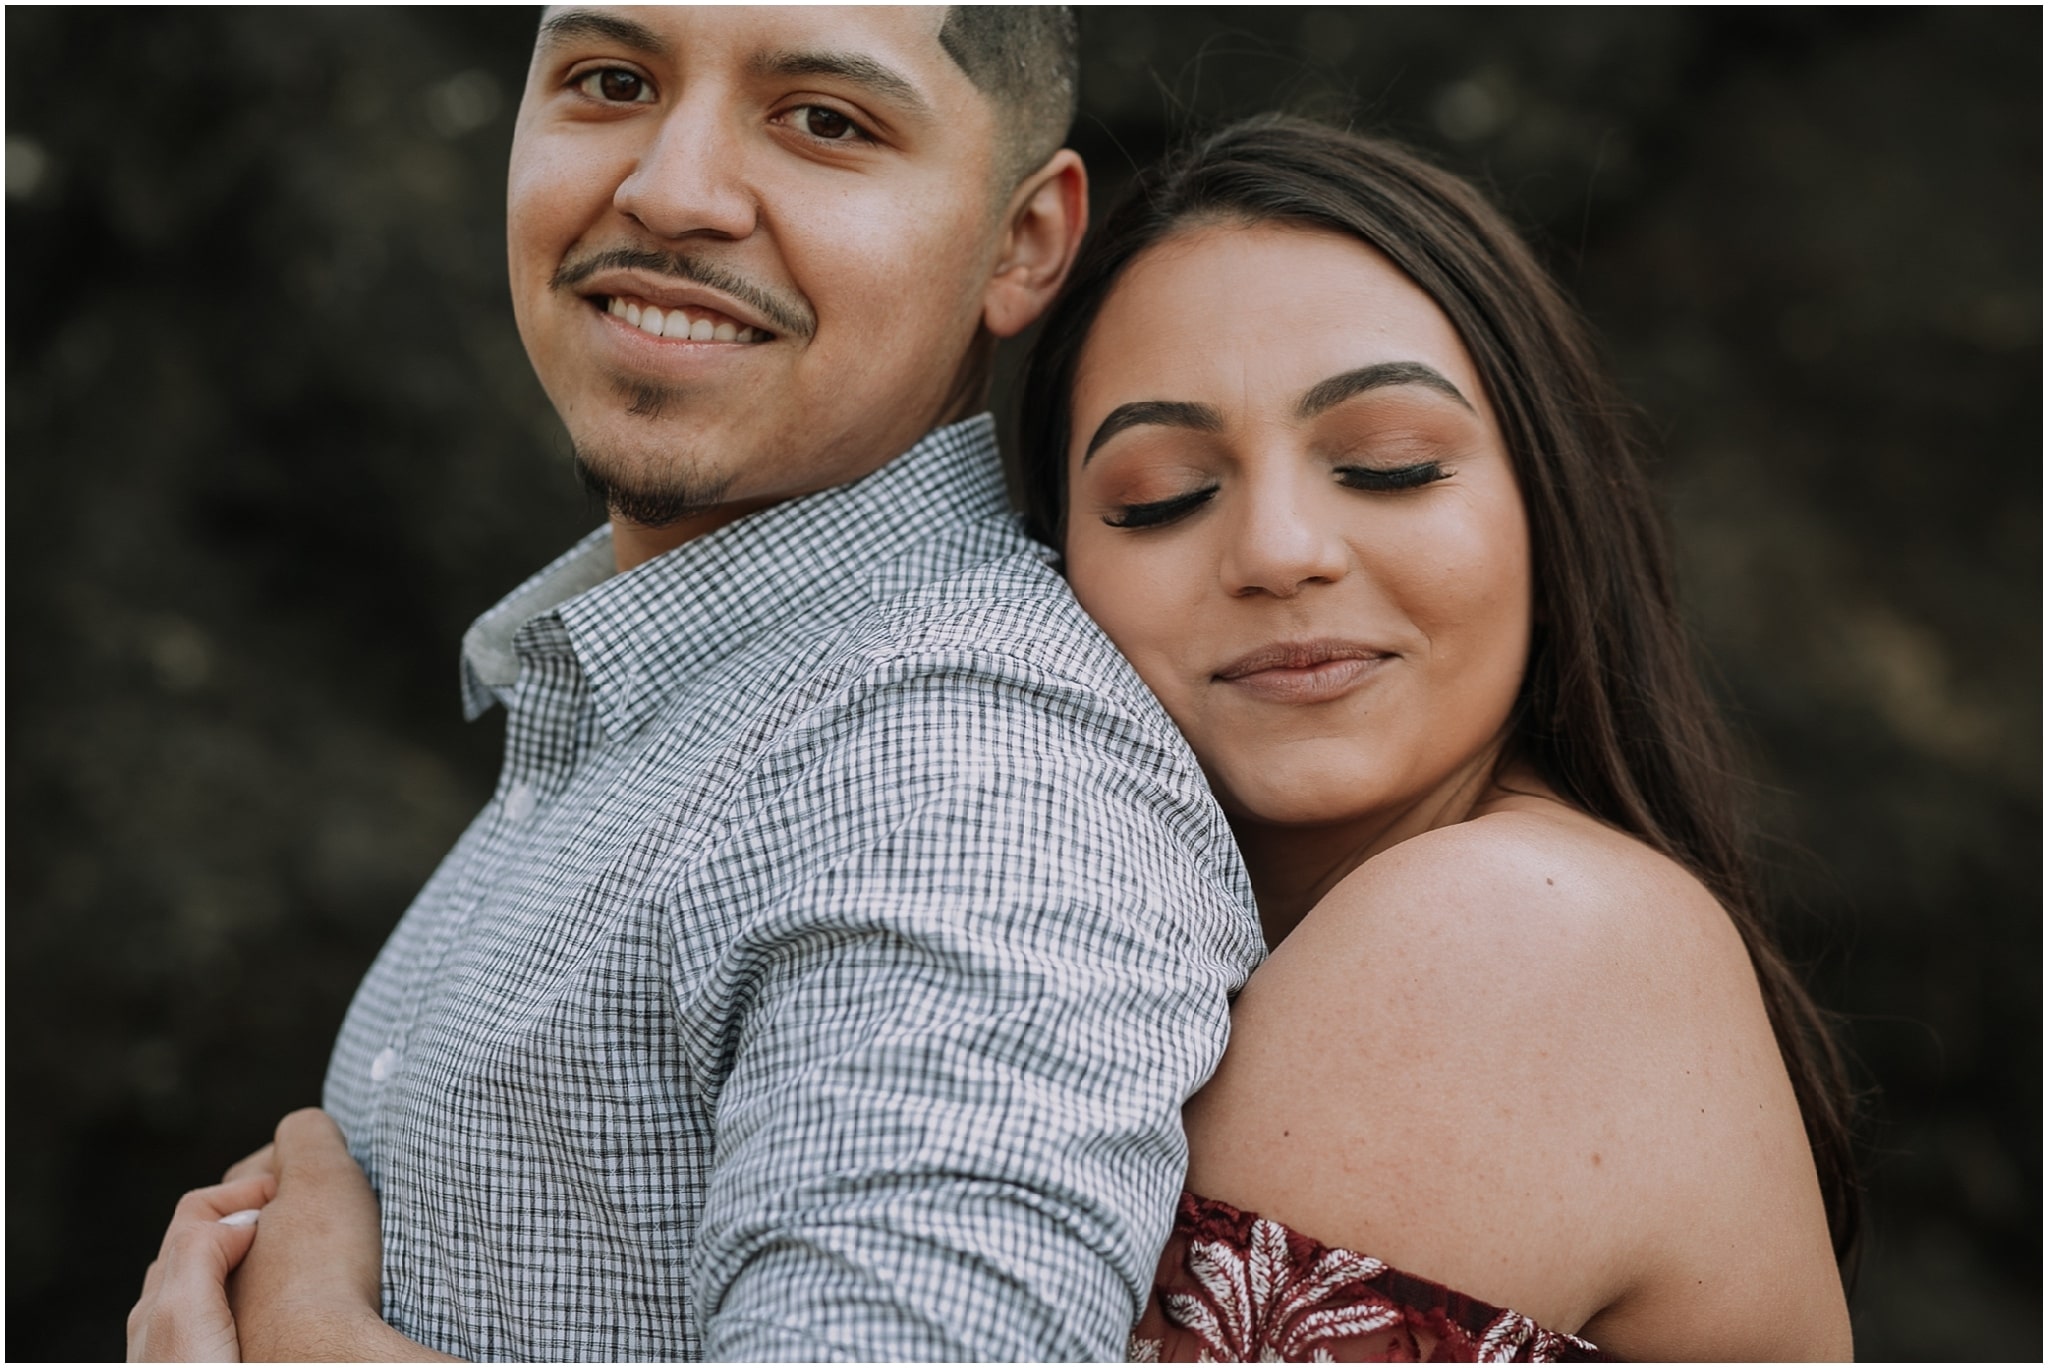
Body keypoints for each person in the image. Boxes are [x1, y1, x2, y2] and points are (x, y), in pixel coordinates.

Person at [126, 8, 1267, 1361]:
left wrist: (315, 1340)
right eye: (611, 83)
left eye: (825, 121)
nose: (669, 191)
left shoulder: (962, 766)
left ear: (1022, 244)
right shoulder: (675, 698)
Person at [1015, 117, 1859, 1360]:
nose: (1278, 552)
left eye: (1390, 465)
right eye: (1162, 496)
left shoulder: (1513, 926)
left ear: (1546, 507)